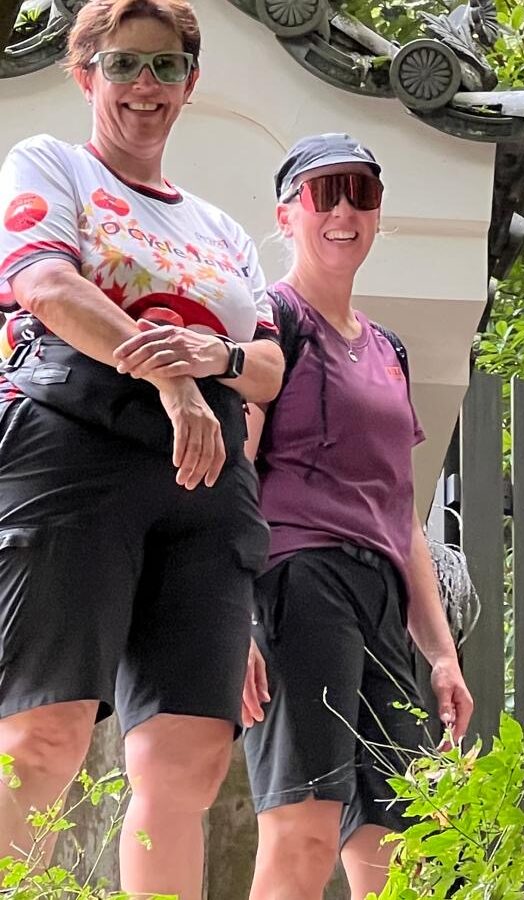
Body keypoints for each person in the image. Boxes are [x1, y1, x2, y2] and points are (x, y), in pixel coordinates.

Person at [0, 1, 284, 897]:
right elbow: (45, 284)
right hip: (78, 448)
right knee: (44, 732)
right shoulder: (53, 166)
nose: (145, 87)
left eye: (166, 68)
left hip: (209, 484)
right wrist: (171, 381)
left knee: (189, 758)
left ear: (190, 85)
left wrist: (220, 359)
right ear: (86, 76)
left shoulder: (223, 231)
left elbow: (271, 368)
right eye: (123, 65)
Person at [239, 133, 474, 900]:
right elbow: (233, 476)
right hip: (297, 582)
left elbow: (400, 513)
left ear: (378, 216)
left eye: (361, 194)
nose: (344, 211)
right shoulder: (271, 322)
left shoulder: (389, 350)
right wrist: (235, 617)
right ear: (286, 214)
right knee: (303, 825)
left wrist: (440, 653)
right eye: (323, 193)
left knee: (398, 848)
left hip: (380, 598)